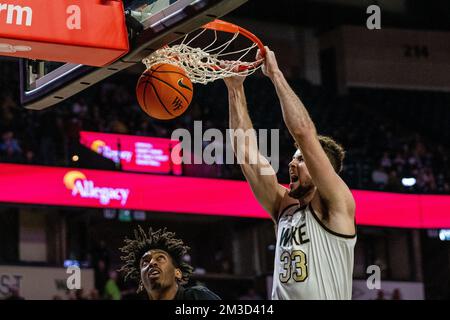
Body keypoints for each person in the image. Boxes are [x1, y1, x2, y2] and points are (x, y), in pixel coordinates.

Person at [224, 46, 356, 300]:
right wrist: (235, 88)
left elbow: (304, 132)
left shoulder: (338, 205)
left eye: (301, 160)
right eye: (293, 159)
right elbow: (246, 155)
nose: (291, 164)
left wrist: (274, 74)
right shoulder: (283, 205)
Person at [119, 226, 220, 300]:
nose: (152, 263)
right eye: (145, 262)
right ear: (141, 281)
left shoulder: (196, 296)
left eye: (160, 258)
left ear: (177, 273)